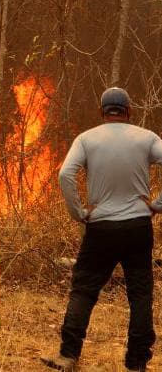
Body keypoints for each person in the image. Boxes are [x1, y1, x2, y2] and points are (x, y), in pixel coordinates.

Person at [41, 87, 162, 372]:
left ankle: (68, 356)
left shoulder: (86, 139)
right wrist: (157, 205)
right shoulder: (147, 138)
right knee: (140, 293)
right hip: (137, 226)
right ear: (128, 110)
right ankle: (136, 363)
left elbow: (64, 174)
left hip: (100, 228)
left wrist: (79, 213)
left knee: (83, 290)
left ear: (102, 112)